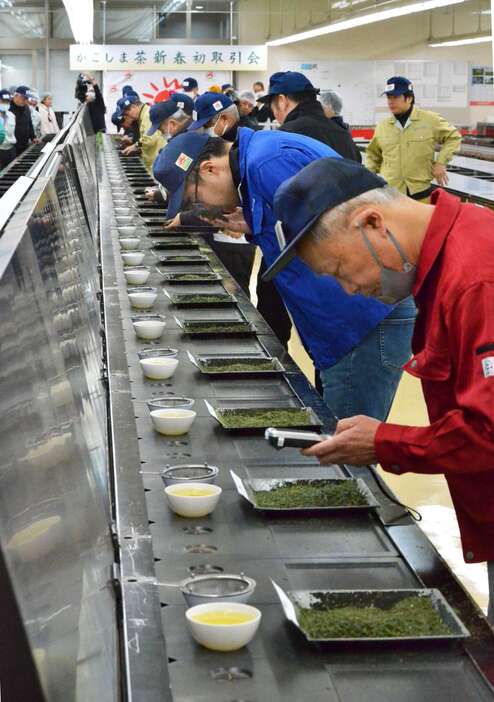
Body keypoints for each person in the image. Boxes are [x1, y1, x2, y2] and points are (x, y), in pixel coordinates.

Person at [263, 156, 494, 624]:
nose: (349, 290)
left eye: (341, 269)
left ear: (372, 222)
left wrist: (385, 441)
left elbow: (489, 432)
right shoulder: (454, 252)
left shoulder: (476, 279)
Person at [153, 130, 415, 420]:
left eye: (194, 197)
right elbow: (301, 229)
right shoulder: (256, 167)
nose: (203, 205)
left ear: (209, 168)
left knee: (349, 450)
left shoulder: (269, 163)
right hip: (345, 323)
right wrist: (256, 226)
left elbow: (337, 240)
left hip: (361, 322)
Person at [366, 76, 461, 202]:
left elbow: (453, 137)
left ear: (409, 98)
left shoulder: (430, 120)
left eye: (395, 97)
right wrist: (367, 179)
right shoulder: (382, 126)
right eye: (388, 97)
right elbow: (372, 155)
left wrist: (441, 162)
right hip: (391, 196)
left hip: (421, 195)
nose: (390, 101)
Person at [258, 71, 362, 162]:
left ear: (282, 101)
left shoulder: (286, 137)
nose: (275, 115)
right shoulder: (344, 135)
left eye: (272, 107)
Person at [116, 94, 166, 174]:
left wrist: (135, 146)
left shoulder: (147, 115)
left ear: (134, 107)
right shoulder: (143, 116)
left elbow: (150, 139)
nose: (129, 117)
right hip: (153, 161)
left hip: (156, 162)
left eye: (127, 114)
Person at [10, 86, 36, 156]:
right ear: (16, 96)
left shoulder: (26, 108)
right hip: (11, 148)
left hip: (24, 145)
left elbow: (29, 123)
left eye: (27, 98)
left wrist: (33, 137)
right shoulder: (8, 109)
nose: (26, 101)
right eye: (24, 98)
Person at [0, 90, 17, 168]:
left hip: (11, 150)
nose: (5, 103)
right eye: (3, 101)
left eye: (7, 101)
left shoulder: (11, 115)